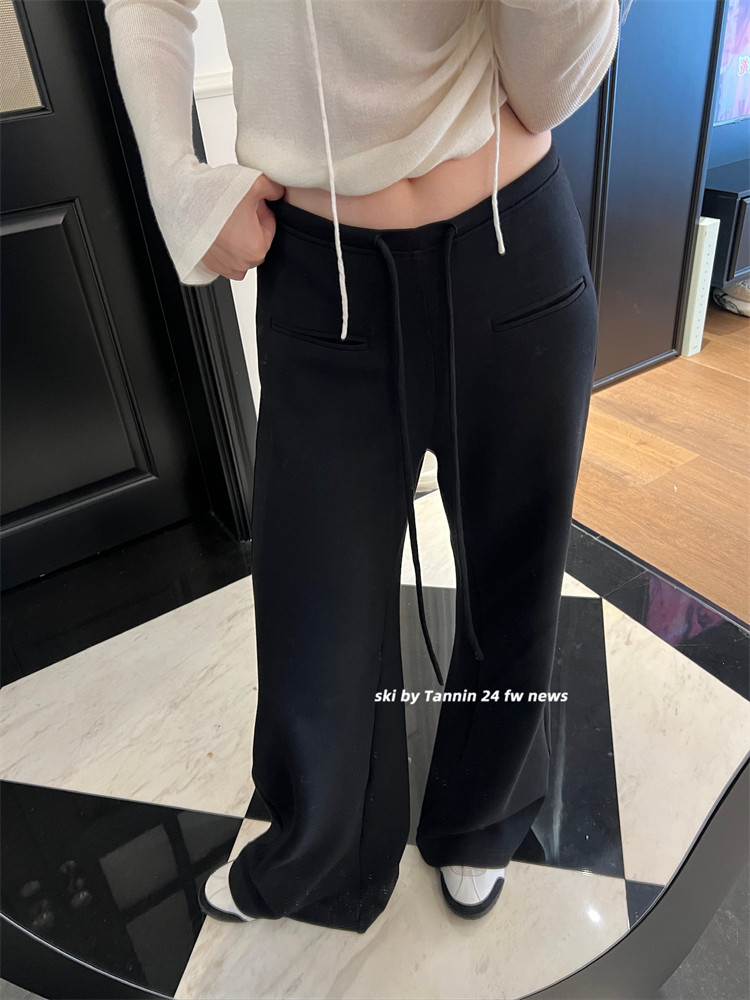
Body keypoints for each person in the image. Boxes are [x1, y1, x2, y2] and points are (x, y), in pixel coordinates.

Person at [102, 0, 630, 933]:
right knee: (313, 605)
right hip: (321, 273)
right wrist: (178, 183)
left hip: (513, 244)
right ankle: (317, 849)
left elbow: (547, 87)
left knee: (515, 582)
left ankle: (482, 818)